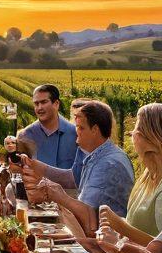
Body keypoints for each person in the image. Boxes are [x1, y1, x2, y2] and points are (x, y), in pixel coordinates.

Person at [28, 100, 134, 236]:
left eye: (80, 127)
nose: (75, 131)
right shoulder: (96, 154)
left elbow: (90, 221)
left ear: (95, 130)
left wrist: (59, 196)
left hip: (108, 248)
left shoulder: (108, 164)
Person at [97, 103, 162, 251]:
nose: (133, 134)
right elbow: (139, 225)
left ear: (154, 136)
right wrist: (117, 227)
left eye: (138, 129)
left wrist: (120, 226)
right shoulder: (148, 174)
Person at [12, 84, 77, 171]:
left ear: (56, 104)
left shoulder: (75, 134)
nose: (39, 108)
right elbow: (19, 171)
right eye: (36, 103)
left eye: (43, 102)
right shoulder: (25, 136)